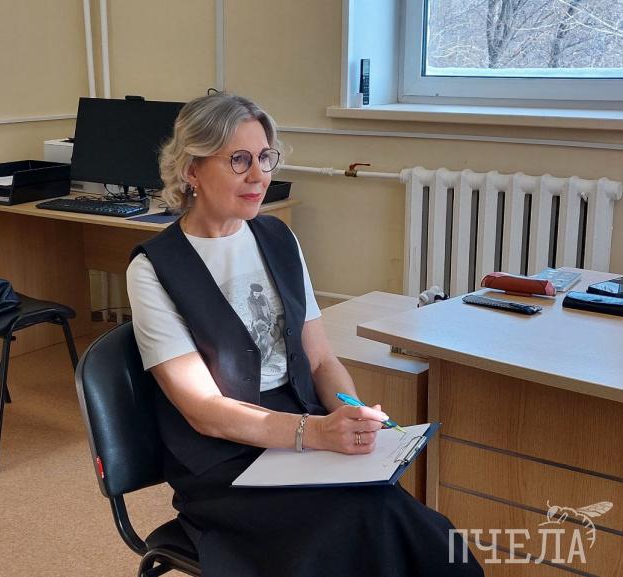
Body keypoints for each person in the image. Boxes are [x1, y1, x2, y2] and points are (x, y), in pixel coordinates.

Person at [127, 92, 482, 577]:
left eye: (265, 157)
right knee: (361, 524)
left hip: (301, 435)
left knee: (419, 531)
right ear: (192, 169)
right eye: (239, 160)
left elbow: (319, 361)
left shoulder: (278, 238)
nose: (259, 175)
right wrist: (316, 432)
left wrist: (351, 412)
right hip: (225, 464)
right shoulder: (154, 268)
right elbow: (204, 410)